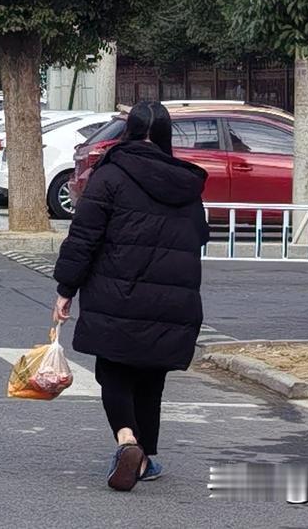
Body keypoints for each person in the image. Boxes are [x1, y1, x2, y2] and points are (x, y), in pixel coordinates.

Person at [51, 101, 209, 492]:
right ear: (167, 135)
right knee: (152, 379)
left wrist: (65, 289)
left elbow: (84, 238)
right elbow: (199, 236)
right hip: (173, 296)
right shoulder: (186, 183)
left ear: (130, 131)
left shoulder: (111, 176)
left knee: (114, 371)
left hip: (116, 291)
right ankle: (146, 459)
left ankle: (126, 441)